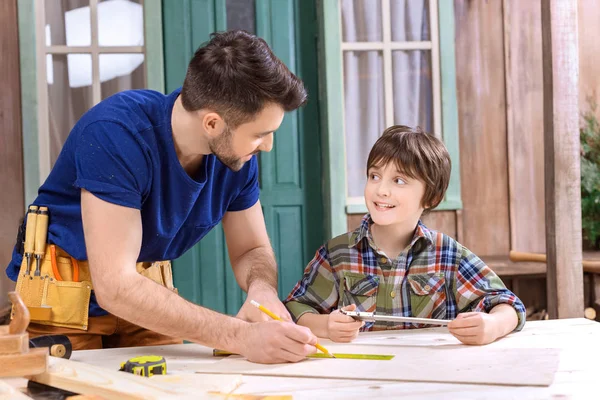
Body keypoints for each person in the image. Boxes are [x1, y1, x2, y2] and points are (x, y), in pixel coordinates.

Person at [6, 30, 318, 364]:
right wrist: (241, 336)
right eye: (260, 135)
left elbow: (252, 249)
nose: (267, 146)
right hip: (64, 307)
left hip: (145, 302)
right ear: (212, 123)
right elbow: (115, 286)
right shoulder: (115, 133)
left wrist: (262, 291)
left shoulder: (237, 158)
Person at [284, 125, 526, 345]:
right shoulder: (338, 254)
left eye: (399, 180)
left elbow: (509, 305)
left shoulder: (448, 254)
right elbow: (295, 308)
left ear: (431, 197)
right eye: (374, 176)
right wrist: (326, 326)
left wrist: (493, 326)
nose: (381, 190)